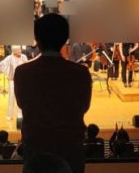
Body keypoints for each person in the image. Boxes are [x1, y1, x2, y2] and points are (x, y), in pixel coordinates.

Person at [14, 14, 92, 173]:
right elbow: (84, 107)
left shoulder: (23, 72)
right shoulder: (81, 73)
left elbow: (22, 104)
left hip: (36, 149)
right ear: (65, 39)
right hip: (70, 149)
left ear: (36, 39)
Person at [0, 45, 29, 120]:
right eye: (18, 50)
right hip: (12, 80)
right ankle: (9, 115)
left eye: (20, 49)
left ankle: (20, 114)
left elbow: (27, 65)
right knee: (11, 97)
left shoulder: (24, 57)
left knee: (21, 97)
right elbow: (1, 64)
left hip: (22, 80)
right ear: (14, 51)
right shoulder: (9, 58)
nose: (20, 51)